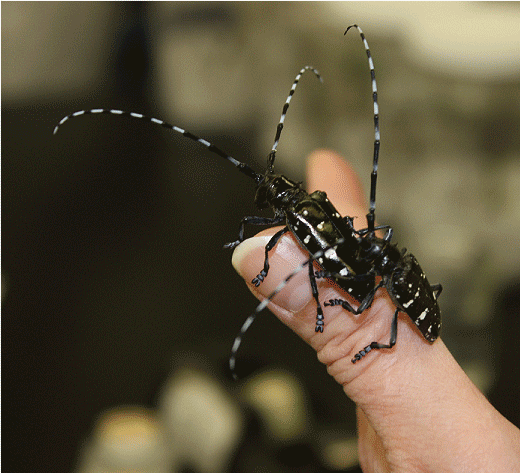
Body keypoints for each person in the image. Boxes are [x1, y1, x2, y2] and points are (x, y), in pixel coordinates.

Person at [231, 149, 520, 472]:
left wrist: (353, 327)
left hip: (404, 307)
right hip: (379, 283)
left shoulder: (387, 278)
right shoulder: (378, 251)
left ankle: (366, 338)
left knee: (379, 319)